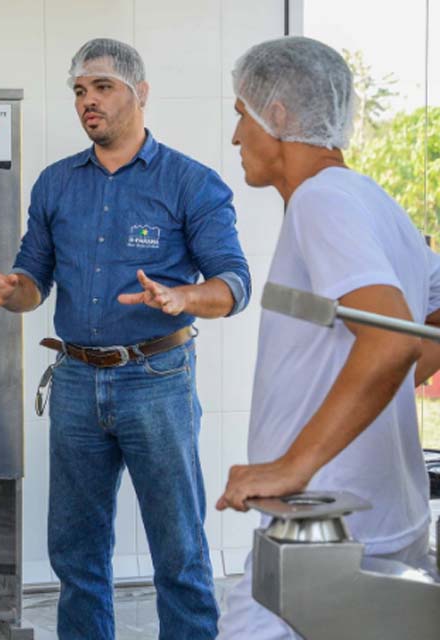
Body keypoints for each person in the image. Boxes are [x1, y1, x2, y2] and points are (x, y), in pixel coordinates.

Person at [0, 39, 251, 640]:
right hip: (76, 382)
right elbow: (33, 282)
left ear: (141, 93)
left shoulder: (192, 183)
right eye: (80, 91)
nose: (88, 101)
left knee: (179, 550)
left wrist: (184, 298)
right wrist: (10, 291)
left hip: (157, 382)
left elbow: (234, 285)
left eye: (103, 87)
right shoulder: (55, 184)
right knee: (75, 551)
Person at [217, 37, 440, 639]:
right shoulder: (376, 202)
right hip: (383, 516)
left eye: (241, 114)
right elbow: (424, 322)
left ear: (277, 114)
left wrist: (293, 466)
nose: (236, 136)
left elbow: (391, 342)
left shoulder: (322, 200)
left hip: (329, 529)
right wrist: (391, 385)